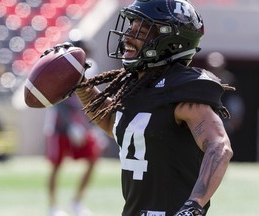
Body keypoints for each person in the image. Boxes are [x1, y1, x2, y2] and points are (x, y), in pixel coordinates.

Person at [43, 0, 234, 215]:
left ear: (170, 41)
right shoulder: (138, 85)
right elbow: (115, 125)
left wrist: (194, 205)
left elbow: (219, 146)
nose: (127, 37)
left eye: (141, 31)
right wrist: (80, 85)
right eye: (131, 27)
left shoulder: (183, 88)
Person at [43, 38, 104, 216]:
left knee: (93, 159)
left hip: (81, 124)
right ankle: (52, 206)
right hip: (60, 125)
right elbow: (57, 100)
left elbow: (89, 100)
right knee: (56, 166)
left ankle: (77, 202)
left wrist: (94, 126)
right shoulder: (61, 68)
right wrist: (70, 125)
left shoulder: (91, 67)